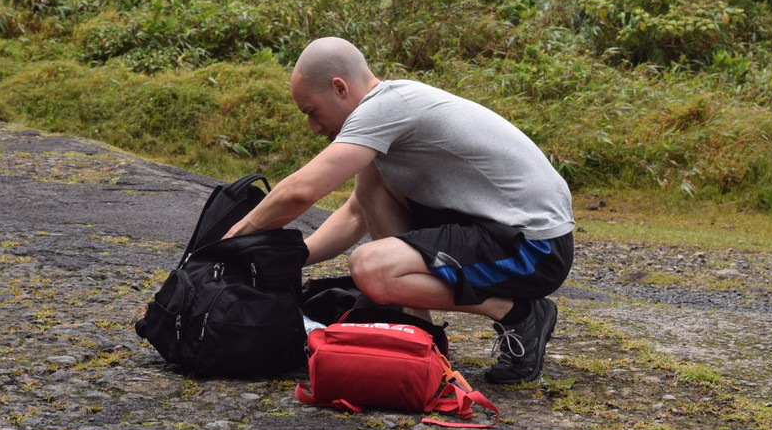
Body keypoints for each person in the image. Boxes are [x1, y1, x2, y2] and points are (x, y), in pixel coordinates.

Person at [225, 37, 575, 384]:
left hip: (536, 246)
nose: (314, 128)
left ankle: (521, 314)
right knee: (374, 189)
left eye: (312, 112)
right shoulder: (388, 114)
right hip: (497, 228)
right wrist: (287, 258)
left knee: (371, 269)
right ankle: (418, 334)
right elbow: (357, 213)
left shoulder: (385, 107)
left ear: (339, 88)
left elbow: (301, 192)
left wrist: (236, 239)